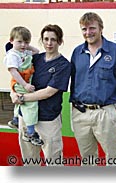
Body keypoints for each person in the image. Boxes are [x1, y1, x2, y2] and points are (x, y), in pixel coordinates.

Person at [70, 12, 116, 166]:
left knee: (112, 159)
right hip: (81, 114)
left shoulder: (115, 51)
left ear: (101, 28)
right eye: (84, 29)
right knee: (88, 159)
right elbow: (72, 80)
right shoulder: (77, 53)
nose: (88, 33)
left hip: (105, 113)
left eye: (92, 28)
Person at [11, 24, 71, 166]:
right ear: (41, 40)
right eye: (46, 39)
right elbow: (19, 77)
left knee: (53, 161)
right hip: (26, 116)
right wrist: (13, 93)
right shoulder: (34, 59)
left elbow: (49, 92)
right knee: (30, 161)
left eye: (53, 39)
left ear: (60, 42)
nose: (49, 43)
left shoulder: (63, 65)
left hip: (48, 119)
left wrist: (22, 98)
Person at [3, 26, 43, 146]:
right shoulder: (12, 55)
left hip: (24, 81)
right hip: (21, 82)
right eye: (19, 41)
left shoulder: (23, 52)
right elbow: (14, 72)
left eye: (26, 42)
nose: (23, 45)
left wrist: (26, 45)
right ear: (11, 40)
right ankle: (30, 132)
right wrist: (25, 85)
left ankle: (16, 119)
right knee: (31, 104)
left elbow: (37, 51)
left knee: (21, 103)